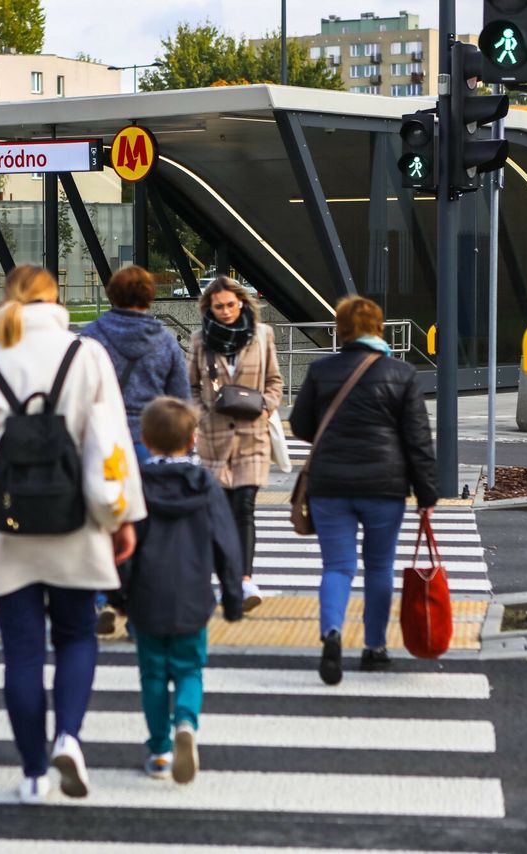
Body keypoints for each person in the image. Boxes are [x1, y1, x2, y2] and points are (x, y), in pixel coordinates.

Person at [0, 264, 145, 806]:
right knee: (78, 636)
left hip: (5, 526)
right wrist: (124, 517)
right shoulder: (87, 355)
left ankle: (34, 773)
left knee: (21, 653)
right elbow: (112, 445)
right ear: (55, 299)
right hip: (76, 520)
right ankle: (69, 739)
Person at [288, 296, 438, 685]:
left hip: (330, 485)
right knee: (379, 566)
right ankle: (374, 648)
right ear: (379, 328)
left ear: (341, 329)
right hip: (383, 487)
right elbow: (418, 440)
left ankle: (332, 632)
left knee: (337, 566)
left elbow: (301, 425)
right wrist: (427, 495)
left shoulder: (322, 370)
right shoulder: (402, 373)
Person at [109, 396, 243, 784]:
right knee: (189, 669)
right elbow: (226, 544)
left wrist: (118, 597)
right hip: (193, 596)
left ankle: (160, 751)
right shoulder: (206, 486)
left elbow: (123, 548)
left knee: (152, 675)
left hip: (146, 599)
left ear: (146, 441)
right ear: (192, 440)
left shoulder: (137, 487)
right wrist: (232, 597)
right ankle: (186, 720)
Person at [80, 264, 191, 635]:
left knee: (99, 521)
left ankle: (98, 599)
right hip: (149, 443)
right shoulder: (165, 341)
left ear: (112, 294)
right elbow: (181, 400)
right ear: (149, 296)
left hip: (102, 443)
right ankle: (140, 608)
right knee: (148, 531)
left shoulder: (91, 337)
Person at [187, 276, 283, 614]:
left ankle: (244, 581)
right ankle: (226, 579)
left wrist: (267, 406)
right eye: (219, 306)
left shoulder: (262, 335)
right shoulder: (200, 340)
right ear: (209, 308)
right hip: (215, 439)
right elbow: (193, 387)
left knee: (244, 507)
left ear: (241, 302)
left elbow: (274, 380)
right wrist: (200, 416)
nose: (226, 311)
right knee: (220, 513)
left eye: (231, 304)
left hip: (252, 436)